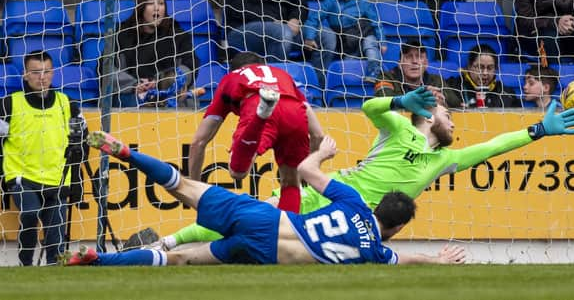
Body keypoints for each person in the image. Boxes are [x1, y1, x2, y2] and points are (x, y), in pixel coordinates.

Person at [150, 84, 574, 250]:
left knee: (267, 241)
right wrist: (398, 102)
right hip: (328, 191)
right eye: (450, 117)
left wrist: (539, 129)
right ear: (429, 116)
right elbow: (370, 107)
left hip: (355, 223)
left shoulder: (443, 159)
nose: (454, 126)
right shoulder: (398, 128)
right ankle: (166, 244)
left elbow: (492, 147)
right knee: (253, 218)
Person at [65, 132, 466, 266]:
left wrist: (322, 154)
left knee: (184, 187)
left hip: (268, 218)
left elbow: (307, 173)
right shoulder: (373, 251)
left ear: (378, 208)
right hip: (263, 249)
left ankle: (129, 155)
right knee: (181, 259)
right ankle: (99, 260)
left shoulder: (354, 202)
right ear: (395, 227)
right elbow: (408, 259)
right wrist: (438, 260)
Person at [190, 52, 324, 214]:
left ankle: (261, 117)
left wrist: (194, 188)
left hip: (255, 102)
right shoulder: (283, 75)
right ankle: (287, 232)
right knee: (291, 184)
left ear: (233, 69)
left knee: (237, 172)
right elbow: (318, 135)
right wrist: (309, 168)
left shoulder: (231, 78)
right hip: (294, 110)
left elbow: (199, 141)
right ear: (264, 66)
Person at [0, 51, 86, 266]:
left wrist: (75, 174)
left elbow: (82, 140)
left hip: (57, 177)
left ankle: (53, 270)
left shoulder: (68, 104)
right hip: (22, 175)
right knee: (30, 213)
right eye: (36, 72)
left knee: (55, 231)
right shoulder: (9, 105)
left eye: (46, 71)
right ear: (25, 75)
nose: (42, 77)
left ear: (53, 73)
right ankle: (25, 263)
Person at [111, 0, 198, 108]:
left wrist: (164, 82)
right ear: (141, 8)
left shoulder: (177, 34)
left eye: (161, 3)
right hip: (132, 94)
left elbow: (191, 66)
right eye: (151, 3)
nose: (157, 8)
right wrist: (134, 85)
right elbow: (104, 68)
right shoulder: (122, 35)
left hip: (168, 93)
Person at [303, 0, 386, 82]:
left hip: (365, 34)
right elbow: (313, 19)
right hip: (348, 45)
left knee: (371, 48)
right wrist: (310, 37)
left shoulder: (362, 1)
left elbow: (375, 22)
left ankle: (373, 75)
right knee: (347, 67)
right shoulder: (330, 1)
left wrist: (382, 41)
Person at [374, 40, 457, 106]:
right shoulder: (386, 77)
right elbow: (385, 100)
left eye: (419, 57)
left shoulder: (436, 80)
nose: (414, 61)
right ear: (400, 64)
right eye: (409, 57)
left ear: (426, 64)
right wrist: (422, 98)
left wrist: (441, 99)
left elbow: (456, 103)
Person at [446, 44, 521, 108]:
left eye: (490, 68)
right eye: (480, 67)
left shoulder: (506, 93)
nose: (485, 73)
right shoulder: (452, 87)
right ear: (469, 67)